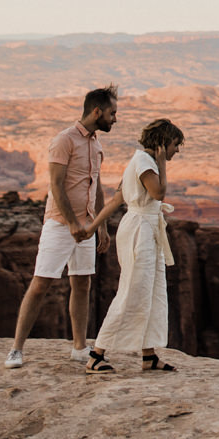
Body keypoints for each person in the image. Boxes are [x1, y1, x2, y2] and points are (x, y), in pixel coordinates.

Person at [4, 84, 118, 369]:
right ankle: (16, 349)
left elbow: (97, 185)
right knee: (41, 283)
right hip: (60, 224)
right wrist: (70, 223)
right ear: (97, 111)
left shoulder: (95, 143)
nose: (115, 119)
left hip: (88, 226)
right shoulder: (64, 140)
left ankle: (79, 347)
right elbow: (55, 185)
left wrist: (101, 226)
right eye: (112, 113)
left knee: (82, 283)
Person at [83, 117, 185, 374]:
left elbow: (117, 198)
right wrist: (163, 165)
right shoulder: (145, 163)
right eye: (175, 144)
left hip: (147, 230)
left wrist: (94, 227)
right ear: (162, 143)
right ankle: (97, 354)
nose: (177, 150)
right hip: (140, 231)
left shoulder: (140, 161)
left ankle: (148, 355)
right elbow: (158, 193)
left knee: (152, 291)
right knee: (132, 291)